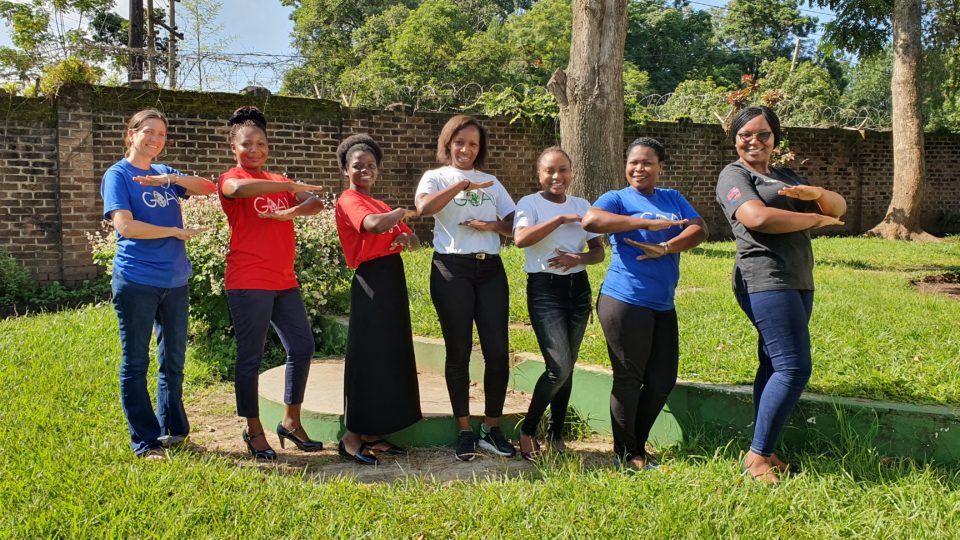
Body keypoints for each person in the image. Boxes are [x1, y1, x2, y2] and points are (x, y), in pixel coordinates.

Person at [715, 106, 846, 483]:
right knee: (794, 366)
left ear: (775, 138)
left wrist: (818, 194)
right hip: (764, 276)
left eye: (763, 134)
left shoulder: (785, 176)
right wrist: (816, 219)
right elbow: (757, 218)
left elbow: (839, 207)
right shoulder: (734, 175)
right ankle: (756, 458)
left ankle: (765, 450)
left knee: (774, 364)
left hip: (798, 277)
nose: (754, 141)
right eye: (745, 134)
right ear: (735, 138)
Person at [582, 137, 706, 470]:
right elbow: (590, 221)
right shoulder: (617, 198)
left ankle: (635, 445)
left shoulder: (673, 198)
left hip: (662, 303)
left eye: (647, 162)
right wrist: (644, 223)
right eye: (634, 162)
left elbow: (699, 229)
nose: (639, 168)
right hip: (624, 300)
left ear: (659, 167)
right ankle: (628, 453)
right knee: (628, 377)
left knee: (662, 379)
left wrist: (666, 247)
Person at [100, 108, 216, 459]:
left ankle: (174, 431)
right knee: (136, 361)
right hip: (137, 278)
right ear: (131, 133)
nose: (155, 140)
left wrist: (169, 180)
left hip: (176, 280)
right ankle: (146, 441)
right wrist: (173, 231)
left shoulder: (164, 172)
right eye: (148, 132)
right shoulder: (118, 175)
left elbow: (207, 187)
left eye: (161, 135)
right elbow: (126, 227)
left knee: (174, 359)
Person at [218, 106, 327, 460]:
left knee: (302, 346)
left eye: (261, 144)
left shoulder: (279, 180)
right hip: (248, 280)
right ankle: (253, 430)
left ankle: (291, 422)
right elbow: (240, 188)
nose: (255, 150)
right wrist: (289, 186)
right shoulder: (230, 178)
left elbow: (317, 202)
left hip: (283, 280)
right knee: (251, 356)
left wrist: (292, 208)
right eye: (247, 144)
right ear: (234, 147)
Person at [414, 114, 518, 461]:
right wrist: (460, 186)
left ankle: (492, 427)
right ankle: (463, 430)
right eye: (460, 142)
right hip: (451, 268)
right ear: (448, 143)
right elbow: (424, 209)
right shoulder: (436, 177)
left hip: (490, 270)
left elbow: (515, 223)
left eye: (473, 144)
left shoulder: (491, 181)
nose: (466, 149)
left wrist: (492, 225)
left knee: (498, 352)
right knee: (458, 351)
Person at [334, 134, 423, 465]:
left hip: (391, 279)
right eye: (358, 166)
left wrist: (404, 235)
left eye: (370, 166)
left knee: (389, 356)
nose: (365, 170)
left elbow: (413, 242)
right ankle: (351, 436)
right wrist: (400, 214)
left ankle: (373, 433)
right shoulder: (349, 200)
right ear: (346, 169)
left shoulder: (382, 204)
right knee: (368, 357)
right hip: (370, 280)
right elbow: (371, 226)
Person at [512, 147, 604, 461]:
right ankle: (528, 430)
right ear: (539, 174)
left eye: (563, 170)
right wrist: (561, 218)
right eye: (550, 171)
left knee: (568, 367)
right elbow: (521, 239)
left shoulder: (583, 205)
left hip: (577, 289)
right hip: (544, 290)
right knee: (559, 366)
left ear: (571, 172)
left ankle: (556, 433)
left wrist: (577, 257)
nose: (557, 177)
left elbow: (598, 252)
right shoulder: (530, 204)